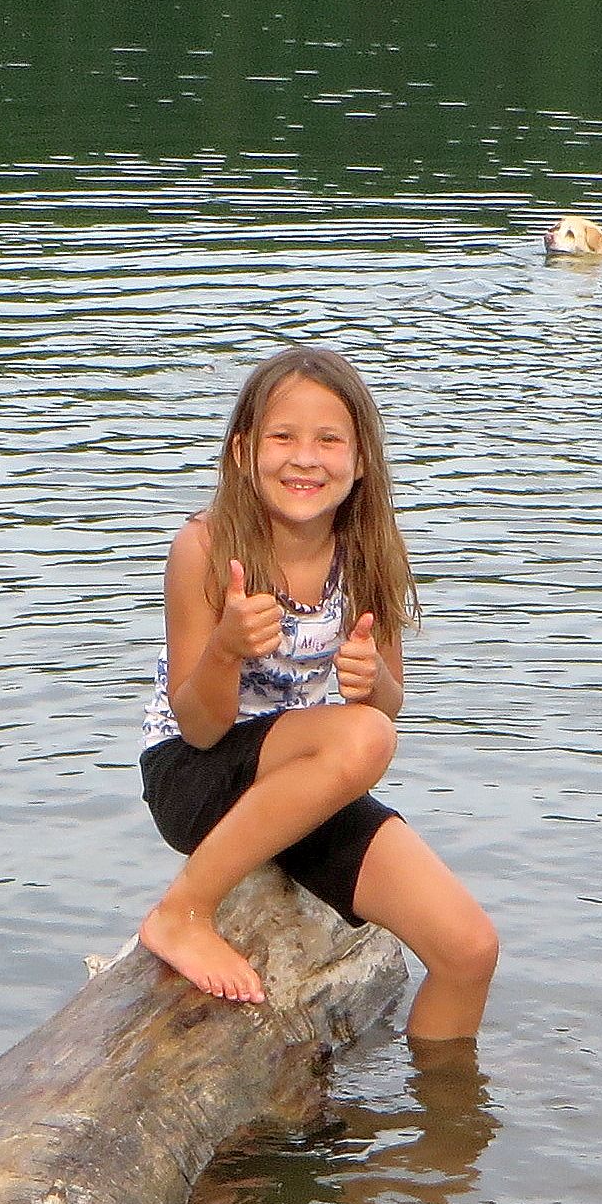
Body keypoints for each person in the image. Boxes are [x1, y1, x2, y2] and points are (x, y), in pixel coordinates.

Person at [136, 344, 498, 1046]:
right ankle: (181, 913)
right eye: (283, 437)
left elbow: (385, 705)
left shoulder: (367, 553)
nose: (305, 459)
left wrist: (373, 681)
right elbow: (200, 727)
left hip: (301, 779)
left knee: (468, 950)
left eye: (329, 440)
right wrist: (226, 650)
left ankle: (446, 1106)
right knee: (362, 737)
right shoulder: (205, 549)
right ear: (243, 451)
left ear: (360, 461)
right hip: (192, 775)